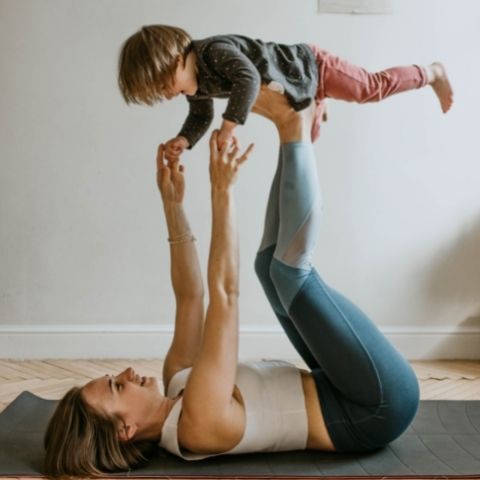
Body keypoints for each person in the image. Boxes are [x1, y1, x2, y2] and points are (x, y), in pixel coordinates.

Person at [43, 88, 420, 477]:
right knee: (290, 275)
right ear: (126, 430)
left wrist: (172, 205)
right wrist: (222, 191)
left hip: (337, 386)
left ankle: (294, 134)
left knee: (266, 268)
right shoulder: (197, 425)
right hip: (375, 407)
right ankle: (295, 129)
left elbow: (191, 297)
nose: (125, 374)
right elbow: (225, 296)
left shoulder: (178, 382)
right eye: (117, 388)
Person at [117, 25, 453, 160]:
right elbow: (201, 113)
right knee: (309, 140)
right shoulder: (197, 84)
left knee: (369, 89)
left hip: (312, 65)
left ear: (178, 62)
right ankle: (318, 101)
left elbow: (248, 78)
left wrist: (230, 126)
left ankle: (430, 73)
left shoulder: (212, 53)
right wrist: (184, 140)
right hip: (297, 88)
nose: (166, 95)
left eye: (164, 86)